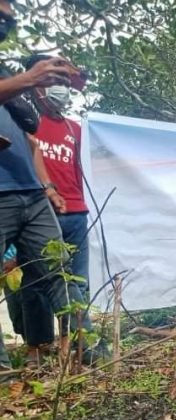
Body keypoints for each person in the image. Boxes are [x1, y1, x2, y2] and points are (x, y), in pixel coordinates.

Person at [0, 0, 107, 371]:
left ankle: (88, 351)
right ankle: (13, 366)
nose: (7, 19)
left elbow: (30, 140)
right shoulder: (18, 83)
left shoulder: (8, 83)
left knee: (61, 273)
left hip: (35, 194)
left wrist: (46, 185)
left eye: (10, 13)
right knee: (30, 286)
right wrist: (30, 79)